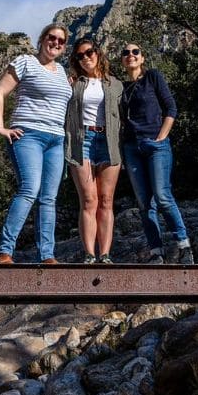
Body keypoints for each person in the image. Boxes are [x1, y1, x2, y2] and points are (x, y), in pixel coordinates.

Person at [0, 23, 73, 264]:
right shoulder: (25, 62)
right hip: (28, 135)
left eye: (61, 41)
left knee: (49, 198)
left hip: (56, 140)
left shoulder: (62, 72)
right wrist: (0, 127)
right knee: (29, 189)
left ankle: (47, 255)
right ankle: (5, 251)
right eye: (52, 38)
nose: (56, 43)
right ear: (42, 39)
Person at [119, 43, 194, 265]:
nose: (130, 55)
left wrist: (161, 136)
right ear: (122, 60)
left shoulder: (153, 77)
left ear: (142, 58)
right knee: (144, 203)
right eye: (126, 53)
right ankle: (156, 252)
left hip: (156, 145)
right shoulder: (121, 88)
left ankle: (183, 245)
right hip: (132, 148)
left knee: (162, 196)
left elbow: (171, 108)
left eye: (135, 52)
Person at [64, 38, 123, 264]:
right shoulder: (73, 83)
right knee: (89, 200)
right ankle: (89, 254)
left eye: (89, 53)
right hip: (82, 141)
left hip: (109, 141)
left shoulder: (115, 84)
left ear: (97, 53)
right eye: (80, 56)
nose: (85, 58)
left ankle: (105, 254)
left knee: (106, 200)